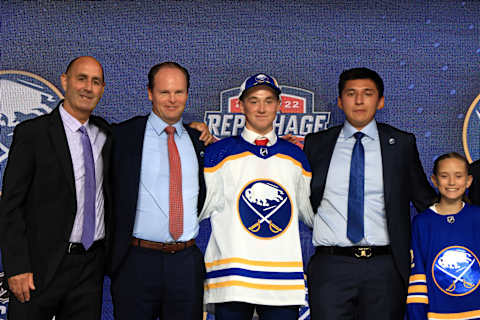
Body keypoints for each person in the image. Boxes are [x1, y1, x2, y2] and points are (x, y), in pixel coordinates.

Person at [303, 67, 437, 320]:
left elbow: (425, 201)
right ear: (341, 102)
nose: (359, 100)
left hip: (385, 267)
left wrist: (464, 223)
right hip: (331, 267)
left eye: (368, 93)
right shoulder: (316, 143)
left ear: (381, 101)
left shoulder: (401, 144)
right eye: (351, 94)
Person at [0, 56, 110, 319]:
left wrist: (191, 130)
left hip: (89, 269)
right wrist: (16, 267)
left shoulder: (106, 134)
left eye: (96, 82)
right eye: (81, 78)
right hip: (39, 268)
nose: (88, 87)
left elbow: (150, 131)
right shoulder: (32, 134)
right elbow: (11, 205)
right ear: (65, 81)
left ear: (102, 90)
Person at [200, 73, 314, 320]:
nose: (261, 108)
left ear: (279, 105)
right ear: (241, 105)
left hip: (282, 283)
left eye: (268, 100)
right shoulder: (218, 155)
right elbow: (196, 211)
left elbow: (312, 214)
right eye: (253, 100)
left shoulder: (296, 158)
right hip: (232, 280)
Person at [109, 62, 211, 320]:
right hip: (136, 262)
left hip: (185, 264)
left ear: (187, 94)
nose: (172, 99)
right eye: (164, 92)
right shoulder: (123, 135)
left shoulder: (198, 139)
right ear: (149, 93)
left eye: (179, 92)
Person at [407, 152, 480, 319]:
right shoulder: (422, 223)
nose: (452, 182)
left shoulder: (477, 218)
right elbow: (417, 276)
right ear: (434, 180)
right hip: (438, 314)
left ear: (468, 181)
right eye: (445, 176)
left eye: (458, 176)